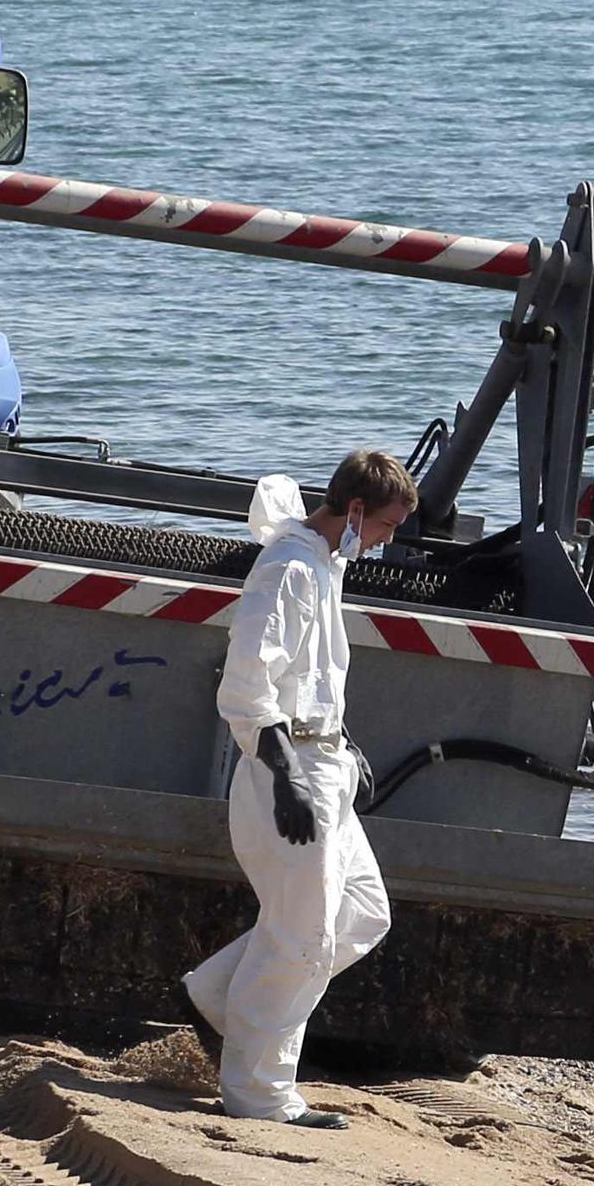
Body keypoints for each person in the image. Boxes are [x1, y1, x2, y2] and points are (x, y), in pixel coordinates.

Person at [183, 450, 413, 1125]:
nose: (387, 541)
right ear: (356, 510)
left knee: (363, 912)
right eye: (387, 526)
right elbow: (247, 683)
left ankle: (220, 996)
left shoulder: (322, 562)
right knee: (301, 936)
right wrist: (285, 778)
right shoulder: (287, 569)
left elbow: (309, 675)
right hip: (292, 765)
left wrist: (348, 745)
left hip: (326, 757)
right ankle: (260, 1096)